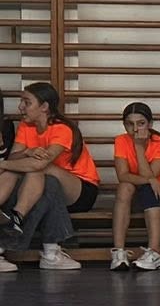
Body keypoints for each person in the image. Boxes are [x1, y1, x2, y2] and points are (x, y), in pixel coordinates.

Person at [0, 82, 100, 272]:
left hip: (80, 189)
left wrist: (2, 164)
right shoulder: (25, 126)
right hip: (45, 185)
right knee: (46, 184)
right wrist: (27, 152)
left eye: (27, 102)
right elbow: (14, 157)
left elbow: (39, 164)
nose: (20, 107)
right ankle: (50, 253)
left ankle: (7, 236)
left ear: (44, 106)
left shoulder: (62, 129)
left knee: (42, 171)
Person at [108, 101, 160, 271]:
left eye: (140, 123)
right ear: (124, 125)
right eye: (129, 124)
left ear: (150, 124)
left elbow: (150, 176)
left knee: (148, 190)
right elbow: (122, 175)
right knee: (124, 187)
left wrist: (139, 147)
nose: (135, 129)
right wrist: (150, 180)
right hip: (136, 194)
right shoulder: (121, 140)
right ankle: (119, 253)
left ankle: (155, 253)